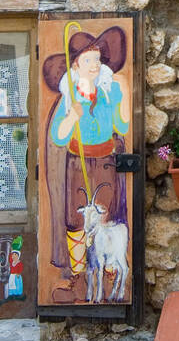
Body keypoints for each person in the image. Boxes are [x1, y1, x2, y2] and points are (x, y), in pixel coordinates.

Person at [42, 26, 130, 290]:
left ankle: (109, 269)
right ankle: (79, 274)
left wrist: (123, 95)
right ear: (76, 66)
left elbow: (122, 126)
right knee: (76, 217)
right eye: (88, 60)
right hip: (76, 164)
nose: (94, 64)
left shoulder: (107, 93)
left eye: (97, 59)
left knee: (104, 214)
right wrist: (72, 116)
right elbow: (58, 136)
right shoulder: (70, 97)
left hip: (105, 161)